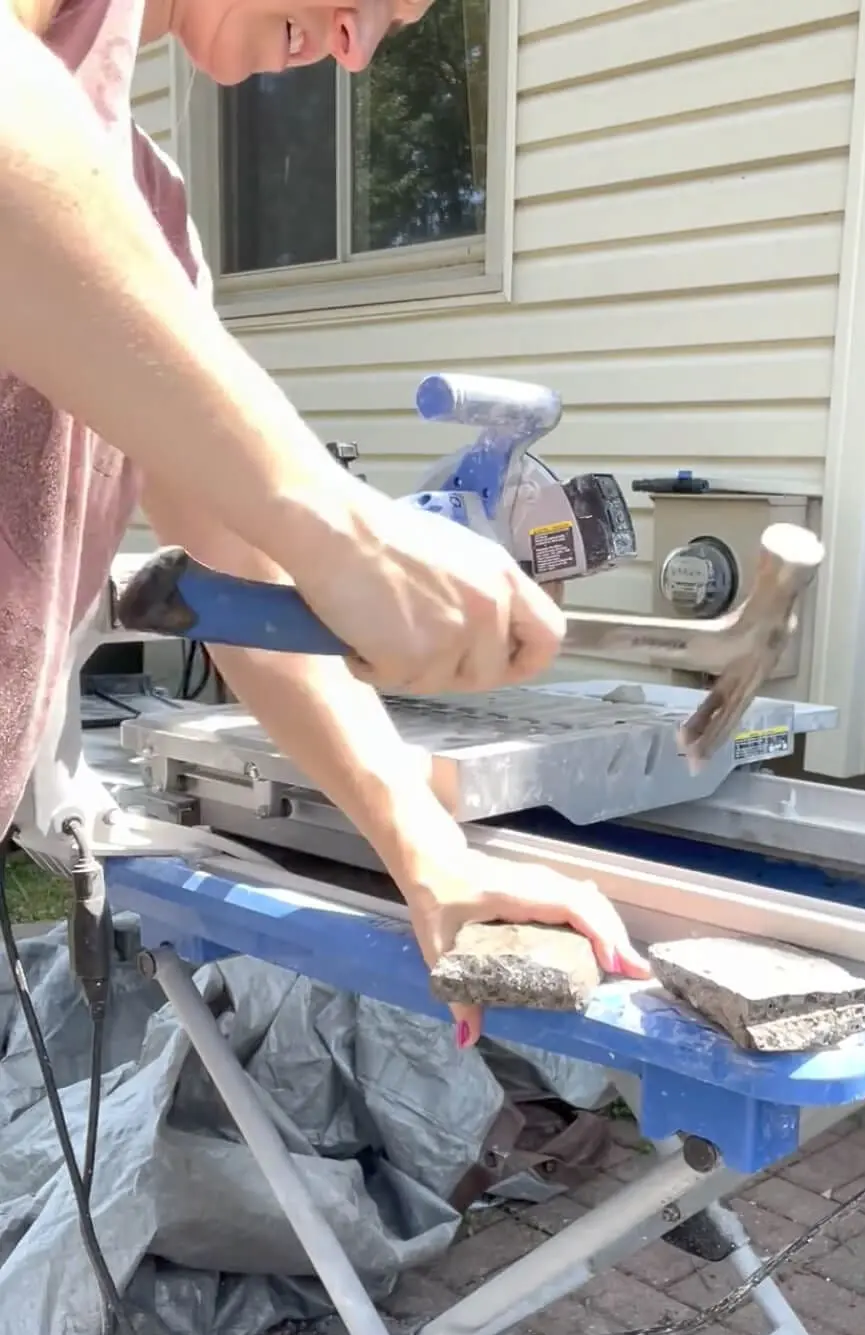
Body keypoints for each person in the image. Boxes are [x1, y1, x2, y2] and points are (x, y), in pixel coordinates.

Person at [0, 0, 651, 1047]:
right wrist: (337, 522)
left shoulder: (149, 224)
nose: (356, 52)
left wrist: (431, 852)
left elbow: (238, 555)